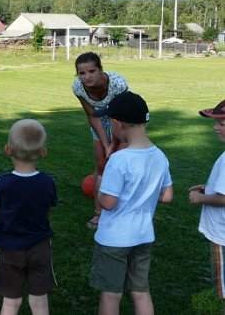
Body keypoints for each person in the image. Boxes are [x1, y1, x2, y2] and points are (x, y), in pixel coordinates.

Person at [89, 91, 173, 315]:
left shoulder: (119, 160)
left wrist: (99, 190)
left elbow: (108, 203)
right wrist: (143, 193)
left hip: (114, 239)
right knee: (141, 291)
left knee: (111, 293)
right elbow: (167, 196)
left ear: (118, 123)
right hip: (143, 236)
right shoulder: (159, 156)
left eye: (110, 122)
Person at [0, 119, 57, 315]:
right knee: (39, 300)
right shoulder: (48, 182)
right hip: (40, 247)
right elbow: (49, 208)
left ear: (7, 149)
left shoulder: (2, 182)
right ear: (43, 152)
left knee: (11, 301)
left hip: (10, 247)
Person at [72, 52, 129, 229]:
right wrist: (105, 144)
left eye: (92, 71)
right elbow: (92, 115)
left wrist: (114, 144)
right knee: (102, 165)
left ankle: (122, 210)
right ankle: (99, 214)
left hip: (122, 122)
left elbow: (120, 115)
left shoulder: (118, 84)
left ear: (100, 70)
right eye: (82, 73)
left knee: (118, 164)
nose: (87, 77)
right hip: (99, 122)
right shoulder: (78, 87)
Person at [189, 99, 225, 300]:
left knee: (224, 287)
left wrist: (199, 197)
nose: (215, 127)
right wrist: (208, 187)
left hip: (222, 234)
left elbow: (223, 198)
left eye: (222, 124)